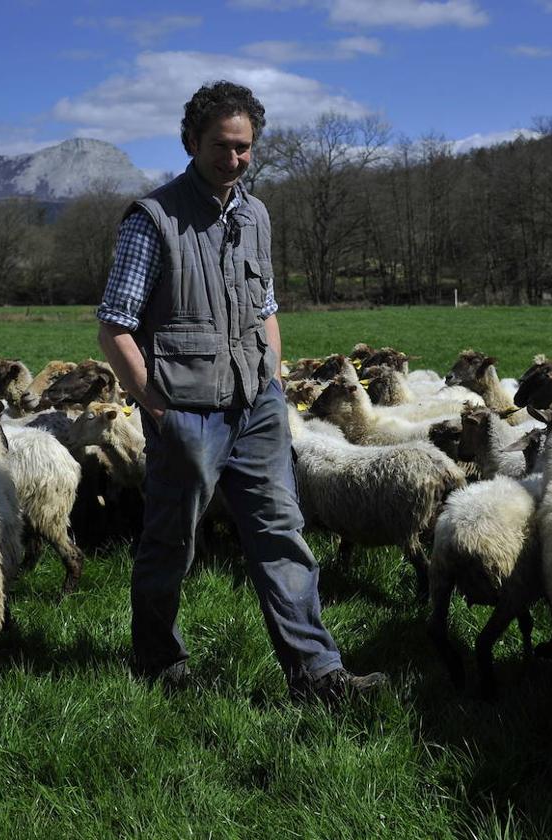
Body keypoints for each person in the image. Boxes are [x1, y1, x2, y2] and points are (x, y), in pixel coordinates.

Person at [96, 80, 387, 703]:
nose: (235, 159)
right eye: (223, 147)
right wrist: (156, 405)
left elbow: (267, 307)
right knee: (172, 541)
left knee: (282, 533)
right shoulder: (154, 220)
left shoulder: (256, 215)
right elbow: (115, 325)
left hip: (255, 405)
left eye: (245, 148)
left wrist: (272, 377)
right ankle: (158, 662)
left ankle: (316, 674)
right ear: (191, 142)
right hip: (185, 410)